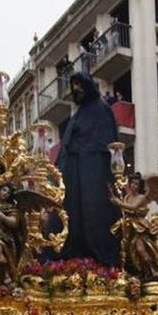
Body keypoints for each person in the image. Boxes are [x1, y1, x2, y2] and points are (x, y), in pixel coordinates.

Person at [52, 71, 120, 266]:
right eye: (74, 88)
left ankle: (100, 258)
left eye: (80, 86)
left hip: (94, 171)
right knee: (71, 212)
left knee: (94, 210)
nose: (76, 90)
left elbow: (109, 144)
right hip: (73, 170)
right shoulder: (79, 114)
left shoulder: (102, 109)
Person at [109, 172, 158, 281]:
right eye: (132, 183)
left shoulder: (141, 197)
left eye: (137, 184)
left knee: (140, 249)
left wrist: (118, 203)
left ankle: (153, 271)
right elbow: (126, 210)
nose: (134, 186)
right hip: (129, 227)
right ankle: (141, 273)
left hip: (139, 228)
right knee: (129, 252)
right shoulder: (127, 197)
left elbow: (133, 207)